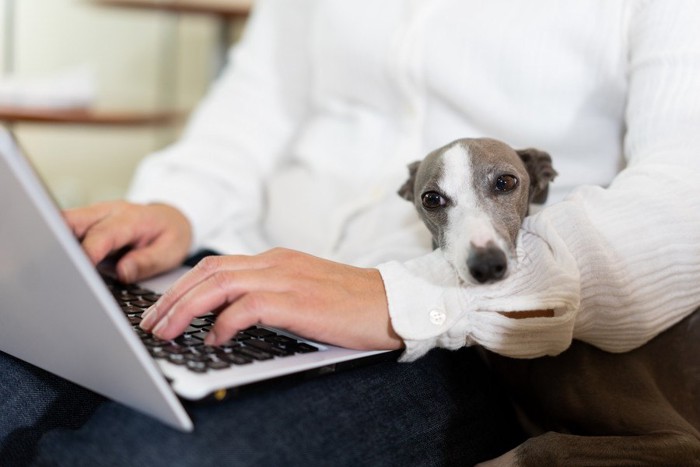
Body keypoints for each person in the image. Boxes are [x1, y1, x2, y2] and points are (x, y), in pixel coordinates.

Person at [2, 0, 700, 465]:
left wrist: (403, 296)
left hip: (451, 340)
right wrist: (175, 203)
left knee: (129, 456)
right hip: (234, 264)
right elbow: (258, 103)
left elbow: (683, 194)